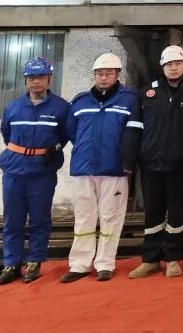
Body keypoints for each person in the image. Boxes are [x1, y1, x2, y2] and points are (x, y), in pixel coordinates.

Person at [127, 46, 183, 279]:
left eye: (177, 63)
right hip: (150, 163)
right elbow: (136, 128)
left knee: (177, 212)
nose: (173, 68)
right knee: (152, 212)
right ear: (162, 67)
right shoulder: (148, 93)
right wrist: (131, 160)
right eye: (169, 64)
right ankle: (150, 260)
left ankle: (173, 259)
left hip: (179, 163)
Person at [61, 53, 140, 283]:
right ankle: (80, 264)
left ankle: (105, 263)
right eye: (99, 74)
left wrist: (126, 162)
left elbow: (133, 134)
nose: (103, 77)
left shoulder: (130, 101)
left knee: (111, 217)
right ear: (94, 75)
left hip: (114, 169)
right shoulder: (80, 102)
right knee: (83, 217)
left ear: (117, 75)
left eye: (108, 73)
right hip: (83, 169)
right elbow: (72, 132)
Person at [0, 57, 69, 285]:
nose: (36, 82)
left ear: (49, 79)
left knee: (40, 219)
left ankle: (34, 261)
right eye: (32, 77)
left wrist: (54, 148)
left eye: (41, 77)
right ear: (26, 80)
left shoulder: (61, 108)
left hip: (42, 172)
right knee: (12, 220)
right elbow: (7, 134)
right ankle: (11, 264)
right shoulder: (13, 107)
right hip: (14, 171)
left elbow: (65, 135)